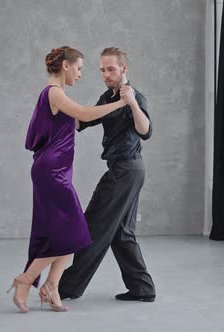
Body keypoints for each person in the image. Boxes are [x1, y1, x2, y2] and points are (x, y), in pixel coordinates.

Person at [7, 46, 137, 313]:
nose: (80, 74)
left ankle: (52, 287)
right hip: (51, 173)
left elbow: (76, 123)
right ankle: (25, 280)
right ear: (65, 66)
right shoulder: (53, 93)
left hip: (58, 171)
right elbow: (85, 115)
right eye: (79, 68)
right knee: (70, 232)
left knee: (75, 234)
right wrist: (123, 102)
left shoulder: (59, 94)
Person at [58, 47, 156, 303]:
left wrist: (132, 102)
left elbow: (145, 130)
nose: (106, 74)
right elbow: (84, 121)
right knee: (122, 233)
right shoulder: (107, 97)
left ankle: (67, 287)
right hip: (123, 170)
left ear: (124, 68)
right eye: (102, 70)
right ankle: (142, 289)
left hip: (127, 169)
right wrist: (58, 112)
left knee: (94, 226)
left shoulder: (135, 96)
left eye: (111, 69)